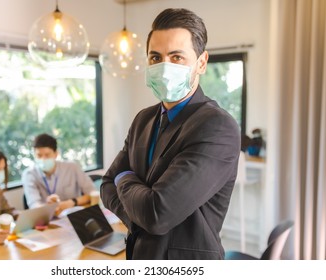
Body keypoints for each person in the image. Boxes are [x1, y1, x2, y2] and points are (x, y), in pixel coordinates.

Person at [100, 8, 241, 260]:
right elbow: (106, 185)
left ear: (202, 62)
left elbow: (157, 212)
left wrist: (124, 177)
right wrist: (138, 217)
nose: (164, 67)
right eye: (155, 58)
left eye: (177, 57)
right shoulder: (143, 119)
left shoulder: (217, 126)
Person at [22, 133, 95, 215]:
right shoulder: (29, 175)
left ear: (56, 154)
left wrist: (72, 202)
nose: (43, 159)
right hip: (48, 219)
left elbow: (92, 194)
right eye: (39, 155)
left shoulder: (72, 167)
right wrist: (47, 206)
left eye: (47, 155)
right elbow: (34, 205)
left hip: (75, 214)